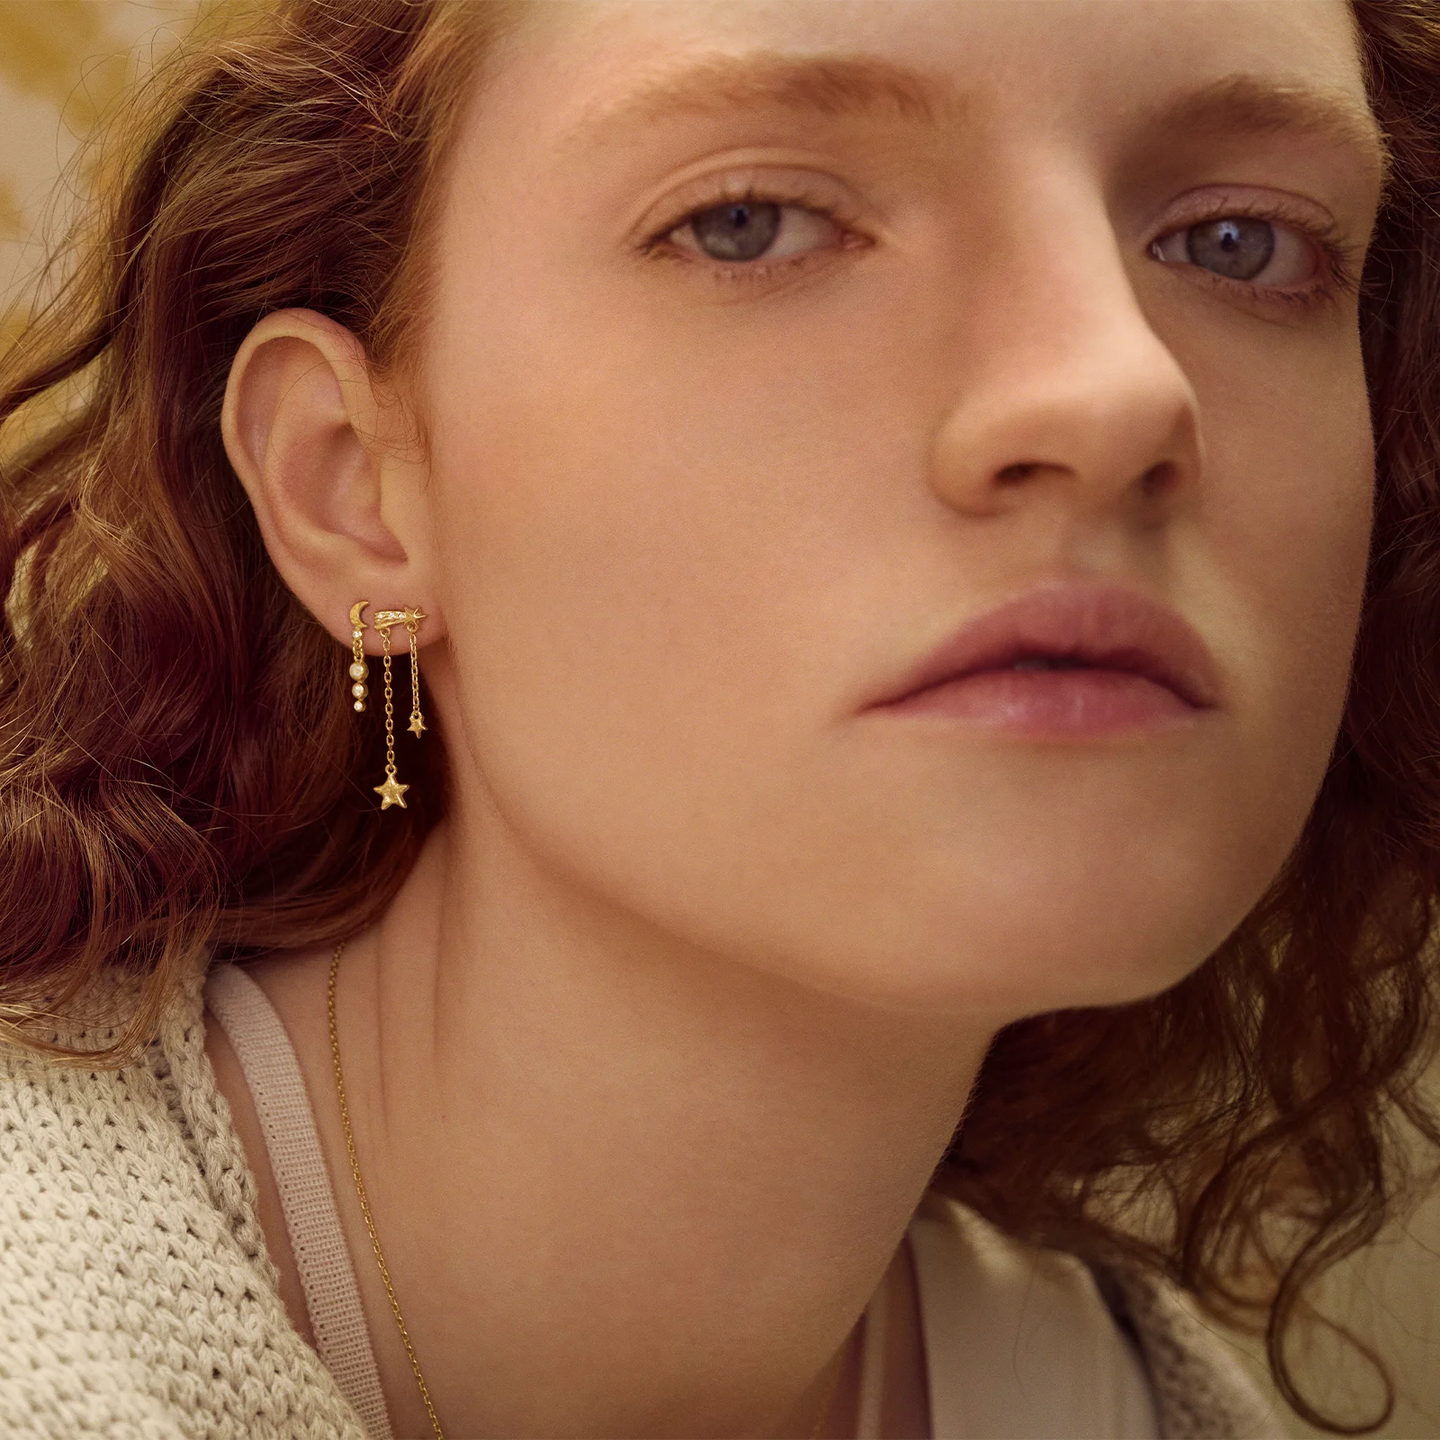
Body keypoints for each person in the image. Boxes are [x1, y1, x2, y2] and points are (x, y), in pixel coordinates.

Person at [3, 0, 1439, 1435]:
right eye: (752, 222)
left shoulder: (1134, 1403)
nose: (1118, 392)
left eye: (1239, 242)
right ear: (350, 485)